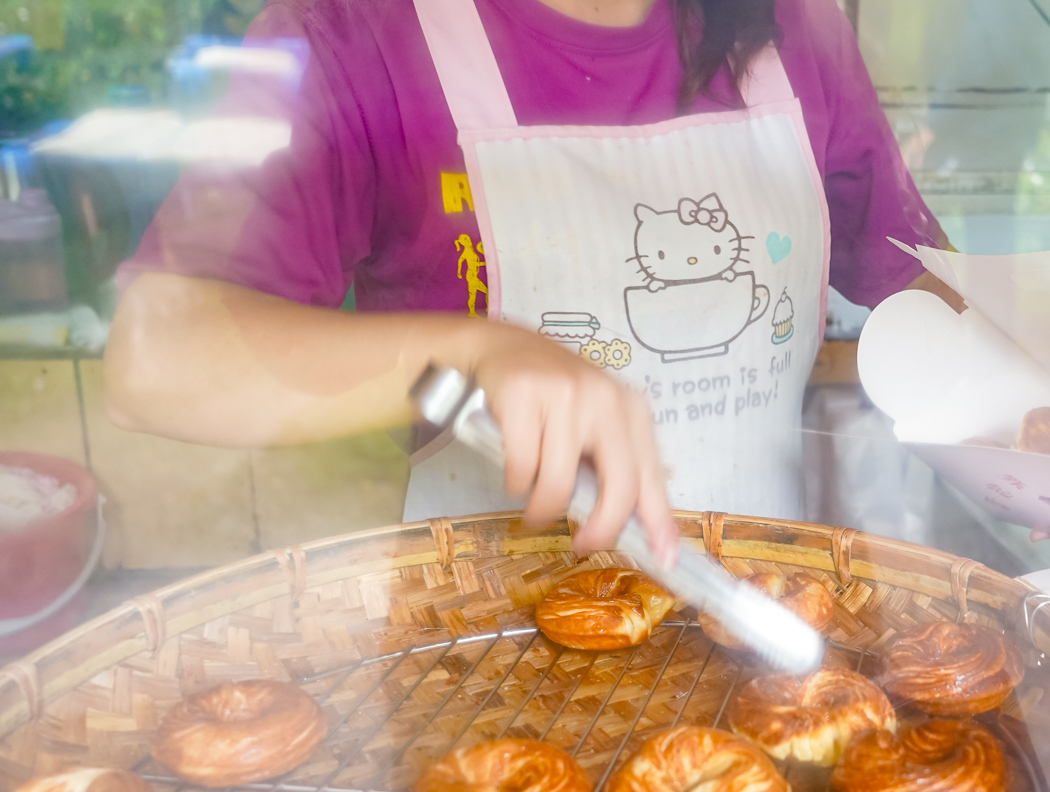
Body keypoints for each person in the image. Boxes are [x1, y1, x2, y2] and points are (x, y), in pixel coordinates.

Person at [105, 0, 961, 562]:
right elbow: (155, 359)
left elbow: (929, 301)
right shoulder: (349, 33)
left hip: (759, 660)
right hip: (484, 681)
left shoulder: (790, 27)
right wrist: (471, 355)